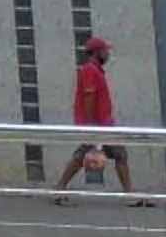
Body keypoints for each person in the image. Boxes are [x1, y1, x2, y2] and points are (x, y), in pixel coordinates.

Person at [53, 34, 139, 197]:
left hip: (101, 125)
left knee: (114, 154)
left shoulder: (94, 71)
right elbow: (89, 98)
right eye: (105, 51)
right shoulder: (90, 71)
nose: (108, 55)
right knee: (87, 156)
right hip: (97, 125)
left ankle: (59, 189)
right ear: (97, 52)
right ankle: (58, 189)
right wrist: (92, 127)